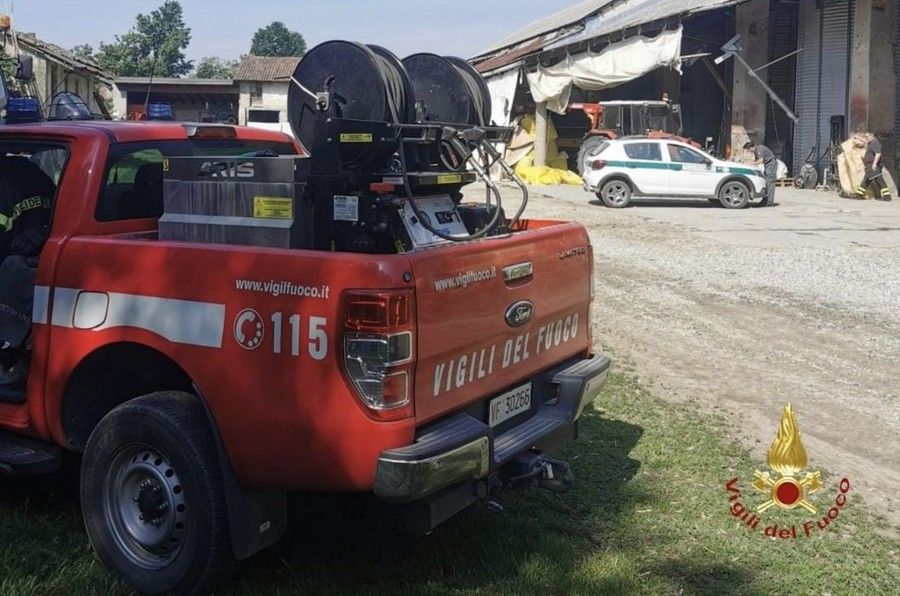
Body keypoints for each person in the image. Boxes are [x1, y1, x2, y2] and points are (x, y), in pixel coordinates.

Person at [0, 157, 55, 398]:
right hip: (41, 254)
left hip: (23, 260)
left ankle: (7, 359)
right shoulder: (32, 172)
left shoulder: (7, 181)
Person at [855, 133, 892, 201]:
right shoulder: (871, 143)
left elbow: (878, 154)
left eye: (868, 136)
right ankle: (859, 195)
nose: (867, 138)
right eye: (866, 136)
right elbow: (865, 141)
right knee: (866, 180)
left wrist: (874, 164)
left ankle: (887, 196)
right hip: (870, 165)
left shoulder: (875, 143)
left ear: (872, 136)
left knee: (879, 180)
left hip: (873, 165)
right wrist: (858, 138)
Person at [744, 141, 777, 206]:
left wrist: (752, 163)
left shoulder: (759, 149)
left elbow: (760, 160)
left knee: (770, 183)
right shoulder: (755, 151)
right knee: (766, 183)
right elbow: (756, 160)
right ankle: (765, 201)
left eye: (748, 150)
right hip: (767, 165)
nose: (749, 151)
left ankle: (770, 202)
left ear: (751, 147)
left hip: (771, 164)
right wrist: (748, 162)